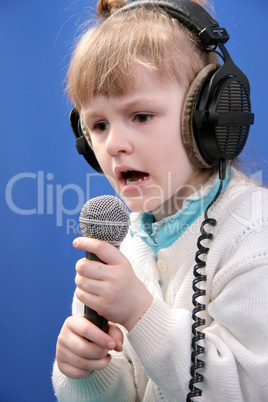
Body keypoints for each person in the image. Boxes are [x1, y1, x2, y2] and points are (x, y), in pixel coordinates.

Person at [52, 0, 268, 400]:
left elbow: (248, 389)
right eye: (98, 124)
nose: (114, 144)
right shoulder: (123, 240)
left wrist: (140, 313)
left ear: (208, 116)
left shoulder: (255, 232)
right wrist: (86, 373)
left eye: (141, 116)